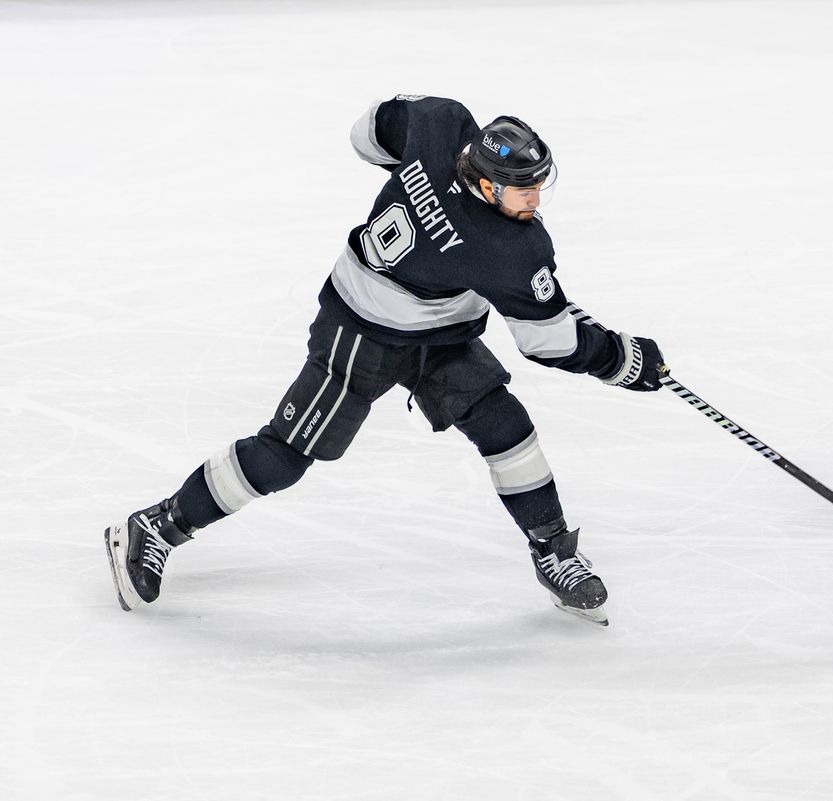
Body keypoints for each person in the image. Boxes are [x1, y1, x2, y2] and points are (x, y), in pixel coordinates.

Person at [103, 94, 666, 627]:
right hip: (360, 331)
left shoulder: (441, 125)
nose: (535, 201)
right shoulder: (509, 251)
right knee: (287, 452)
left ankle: (552, 551)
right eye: (522, 190)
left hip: (438, 331)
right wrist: (620, 358)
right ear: (486, 184)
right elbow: (549, 341)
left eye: (539, 185)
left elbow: (367, 133)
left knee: (506, 427)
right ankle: (157, 525)